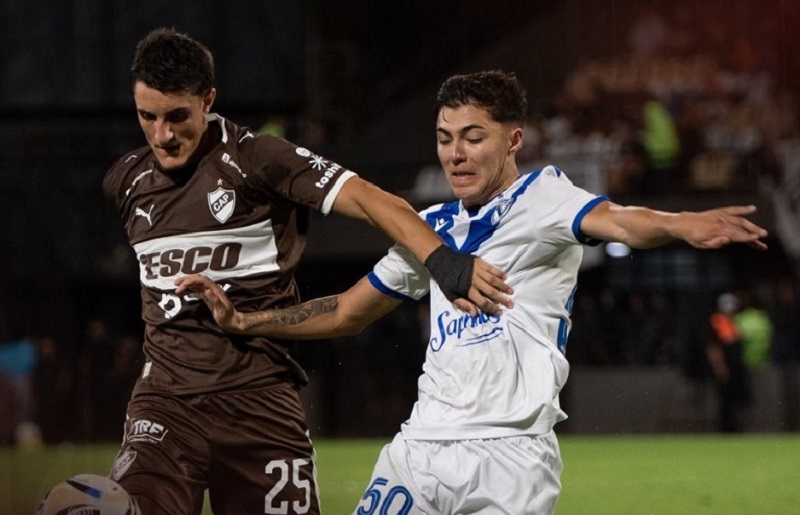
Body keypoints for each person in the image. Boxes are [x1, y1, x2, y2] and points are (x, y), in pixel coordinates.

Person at [177, 70, 768, 514]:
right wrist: (248, 321)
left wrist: (681, 225)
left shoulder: (546, 197)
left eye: (472, 137)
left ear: (513, 140)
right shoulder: (430, 229)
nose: (455, 153)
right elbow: (348, 311)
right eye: (444, 138)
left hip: (511, 458)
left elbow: (619, 220)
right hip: (420, 448)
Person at [102, 28, 512, 514]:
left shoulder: (258, 159)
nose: (162, 134)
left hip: (259, 402)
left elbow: (370, 199)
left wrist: (444, 262)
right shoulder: (125, 181)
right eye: (147, 116)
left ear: (208, 100)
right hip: (164, 404)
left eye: (177, 116)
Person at [706, 292, 749, 432]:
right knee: (725, 400)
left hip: (735, 367)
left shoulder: (733, 322)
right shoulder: (716, 321)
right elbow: (713, 346)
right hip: (725, 367)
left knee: (734, 399)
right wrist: (720, 366)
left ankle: (733, 426)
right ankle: (725, 428)